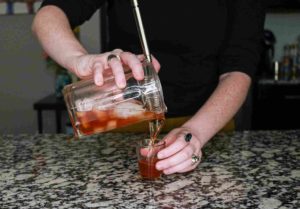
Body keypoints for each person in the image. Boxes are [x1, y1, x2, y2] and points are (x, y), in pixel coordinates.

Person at [32, 0, 265, 175]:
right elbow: (49, 14)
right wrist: (79, 60)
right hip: (124, 121)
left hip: (208, 128)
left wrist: (194, 134)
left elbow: (238, 70)